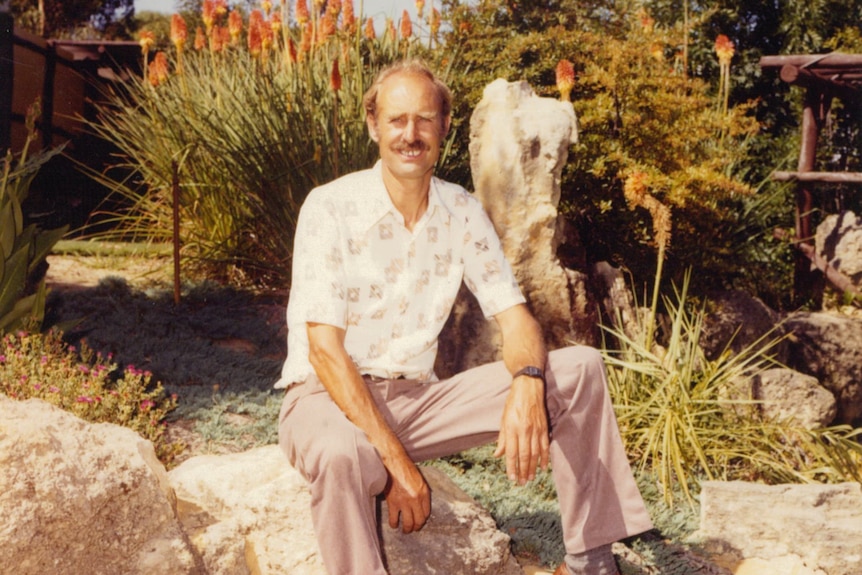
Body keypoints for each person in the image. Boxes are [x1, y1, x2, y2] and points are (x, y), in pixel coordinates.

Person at [276, 59, 653, 575]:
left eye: (425, 120)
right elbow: (323, 350)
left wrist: (527, 379)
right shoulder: (330, 208)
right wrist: (399, 466)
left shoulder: (462, 211)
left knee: (580, 369)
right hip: (327, 402)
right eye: (396, 120)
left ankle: (589, 562)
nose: (411, 134)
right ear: (373, 126)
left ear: (445, 129)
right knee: (346, 455)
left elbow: (515, 317)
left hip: (417, 401)